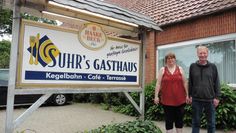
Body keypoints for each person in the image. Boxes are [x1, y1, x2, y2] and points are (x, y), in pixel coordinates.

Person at [154, 52, 189, 133]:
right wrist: (156, 96)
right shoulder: (162, 70)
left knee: (179, 121)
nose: (170, 60)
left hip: (180, 100)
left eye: (172, 58)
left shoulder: (180, 69)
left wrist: (187, 95)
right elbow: (158, 83)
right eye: (168, 58)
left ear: (175, 59)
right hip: (167, 101)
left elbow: (185, 82)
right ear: (166, 60)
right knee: (169, 121)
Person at [188, 46, 220, 133]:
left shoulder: (213, 67)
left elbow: (217, 82)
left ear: (207, 54)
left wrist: (217, 97)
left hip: (210, 100)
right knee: (196, 123)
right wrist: (190, 95)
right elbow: (190, 82)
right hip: (196, 99)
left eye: (204, 53)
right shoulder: (192, 66)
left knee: (211, 123)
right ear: (197, 54)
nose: (202, 55)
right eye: (200, 53)